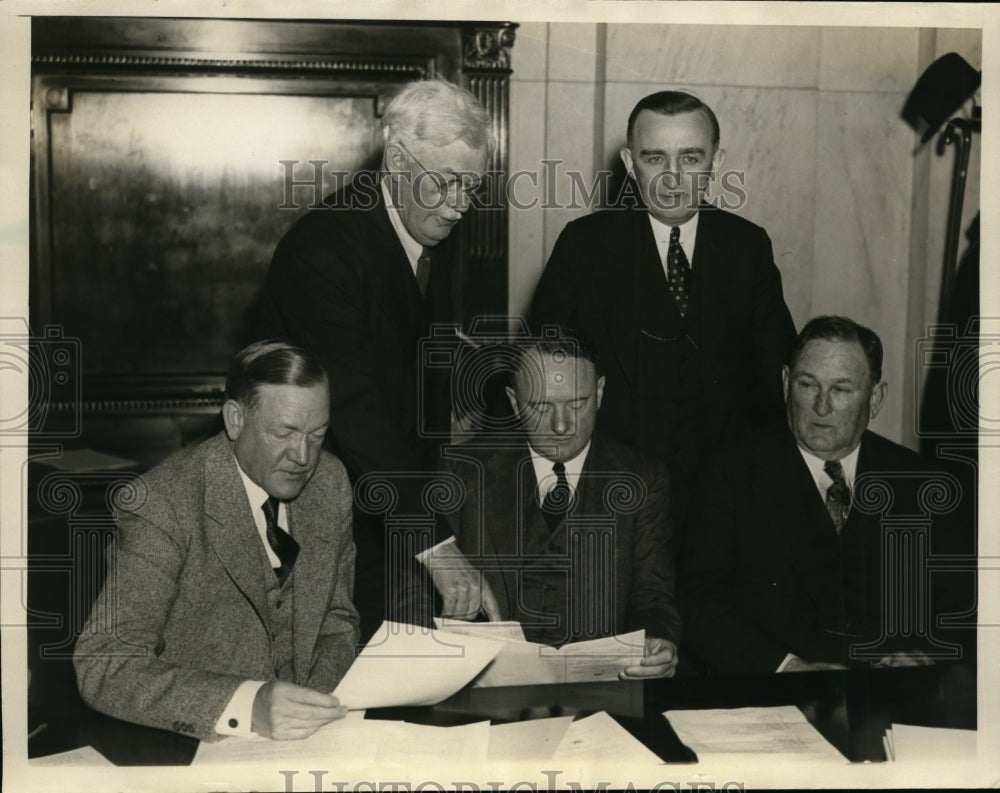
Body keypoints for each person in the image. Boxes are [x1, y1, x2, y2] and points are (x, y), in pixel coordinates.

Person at [254, 78, 499, 639]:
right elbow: (356, 410)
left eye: (472, 187)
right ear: (396, 157)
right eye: (447, 183)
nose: (460, 207)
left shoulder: (426, 224)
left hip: (390, 507)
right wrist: (435, 543)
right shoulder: (324, 248)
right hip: (316, 516)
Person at [529, 90, 797, 531]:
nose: (673, 179)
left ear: (716, 161)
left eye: (690, 159)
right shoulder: (585, 245)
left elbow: (778, 377)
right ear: (630, 164)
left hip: (721, 501)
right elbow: (541, 372)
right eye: (655, 159)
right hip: (612, 497)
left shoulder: (747, 247)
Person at [74, 341, 358, 742]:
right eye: (285, 432)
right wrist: (248, 705)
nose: (303, 456)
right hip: (192, 747)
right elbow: (105, 663)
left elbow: (336, 623)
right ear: (235, 420)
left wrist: (315, 703)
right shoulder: (162, 502)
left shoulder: (329, 482)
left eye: (318, 434)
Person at [681, 316, 970, 675]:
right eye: (808, 385)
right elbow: (700, 602)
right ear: (786, 383)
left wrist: (922, 655)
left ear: (875, 398)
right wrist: (788, 668)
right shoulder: (729, 472)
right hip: (771, 692)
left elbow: (963, 606)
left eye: (841, 390)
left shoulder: (924, 482)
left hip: (891, 698)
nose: (821, 407)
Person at [409, 329, 681, 678]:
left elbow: (653, 597)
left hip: (601, 698)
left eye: (577, 404)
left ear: (599, 393)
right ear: (513, 400)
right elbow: (414, 598)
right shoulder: (461, 470)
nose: (562, 425)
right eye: (541, 406)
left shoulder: (644, 478)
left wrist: (659, 642)